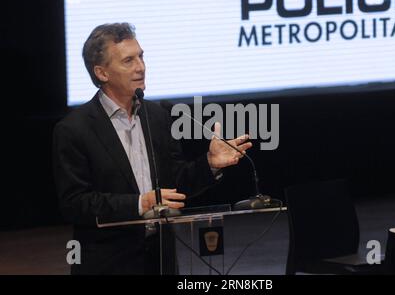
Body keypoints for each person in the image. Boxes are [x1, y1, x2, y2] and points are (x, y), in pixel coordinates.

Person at [53, 23, 252, 275]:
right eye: (128, 60)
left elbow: (174, 184)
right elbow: (74, 203)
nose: (140, 67)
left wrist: (210, 164)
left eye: (141, 56)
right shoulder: (74, 129)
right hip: (108, 263)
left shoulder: (156, 115)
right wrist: (139, 203)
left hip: (160, 260)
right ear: (102, 73)